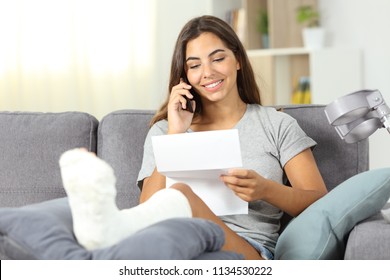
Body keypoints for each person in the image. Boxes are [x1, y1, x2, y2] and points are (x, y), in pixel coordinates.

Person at [60, 15, 327, 260]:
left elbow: (318, 201)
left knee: (181, 195)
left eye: (218, 58)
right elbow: (149, 209)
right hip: (175, 244)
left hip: (247, 251)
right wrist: (176, 134)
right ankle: (108, 237)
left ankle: (108, 230)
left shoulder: (276, 125)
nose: (207, 72)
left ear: (238, 60)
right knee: (166, 223)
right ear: (184, 76)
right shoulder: (165, 131)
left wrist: (266, 190)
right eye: (195, 65)